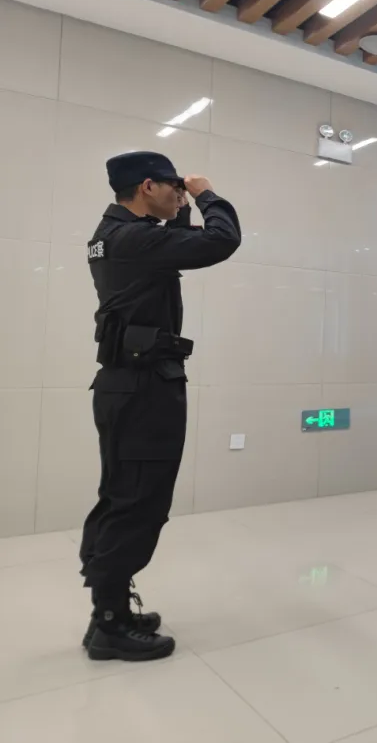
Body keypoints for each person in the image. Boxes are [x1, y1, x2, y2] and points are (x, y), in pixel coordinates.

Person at [80, 152, 241, 661]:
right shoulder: (135, 239)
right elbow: (220, 241)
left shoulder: (116, 235)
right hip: (144, 388)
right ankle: (110, 626)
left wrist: (183, 207)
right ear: (147, 186)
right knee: (138, 501)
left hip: (127, 384)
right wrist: (207, 194)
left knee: (123, 495)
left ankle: (109, 612)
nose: (180, 193)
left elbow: (174, 246)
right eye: (174, 186)